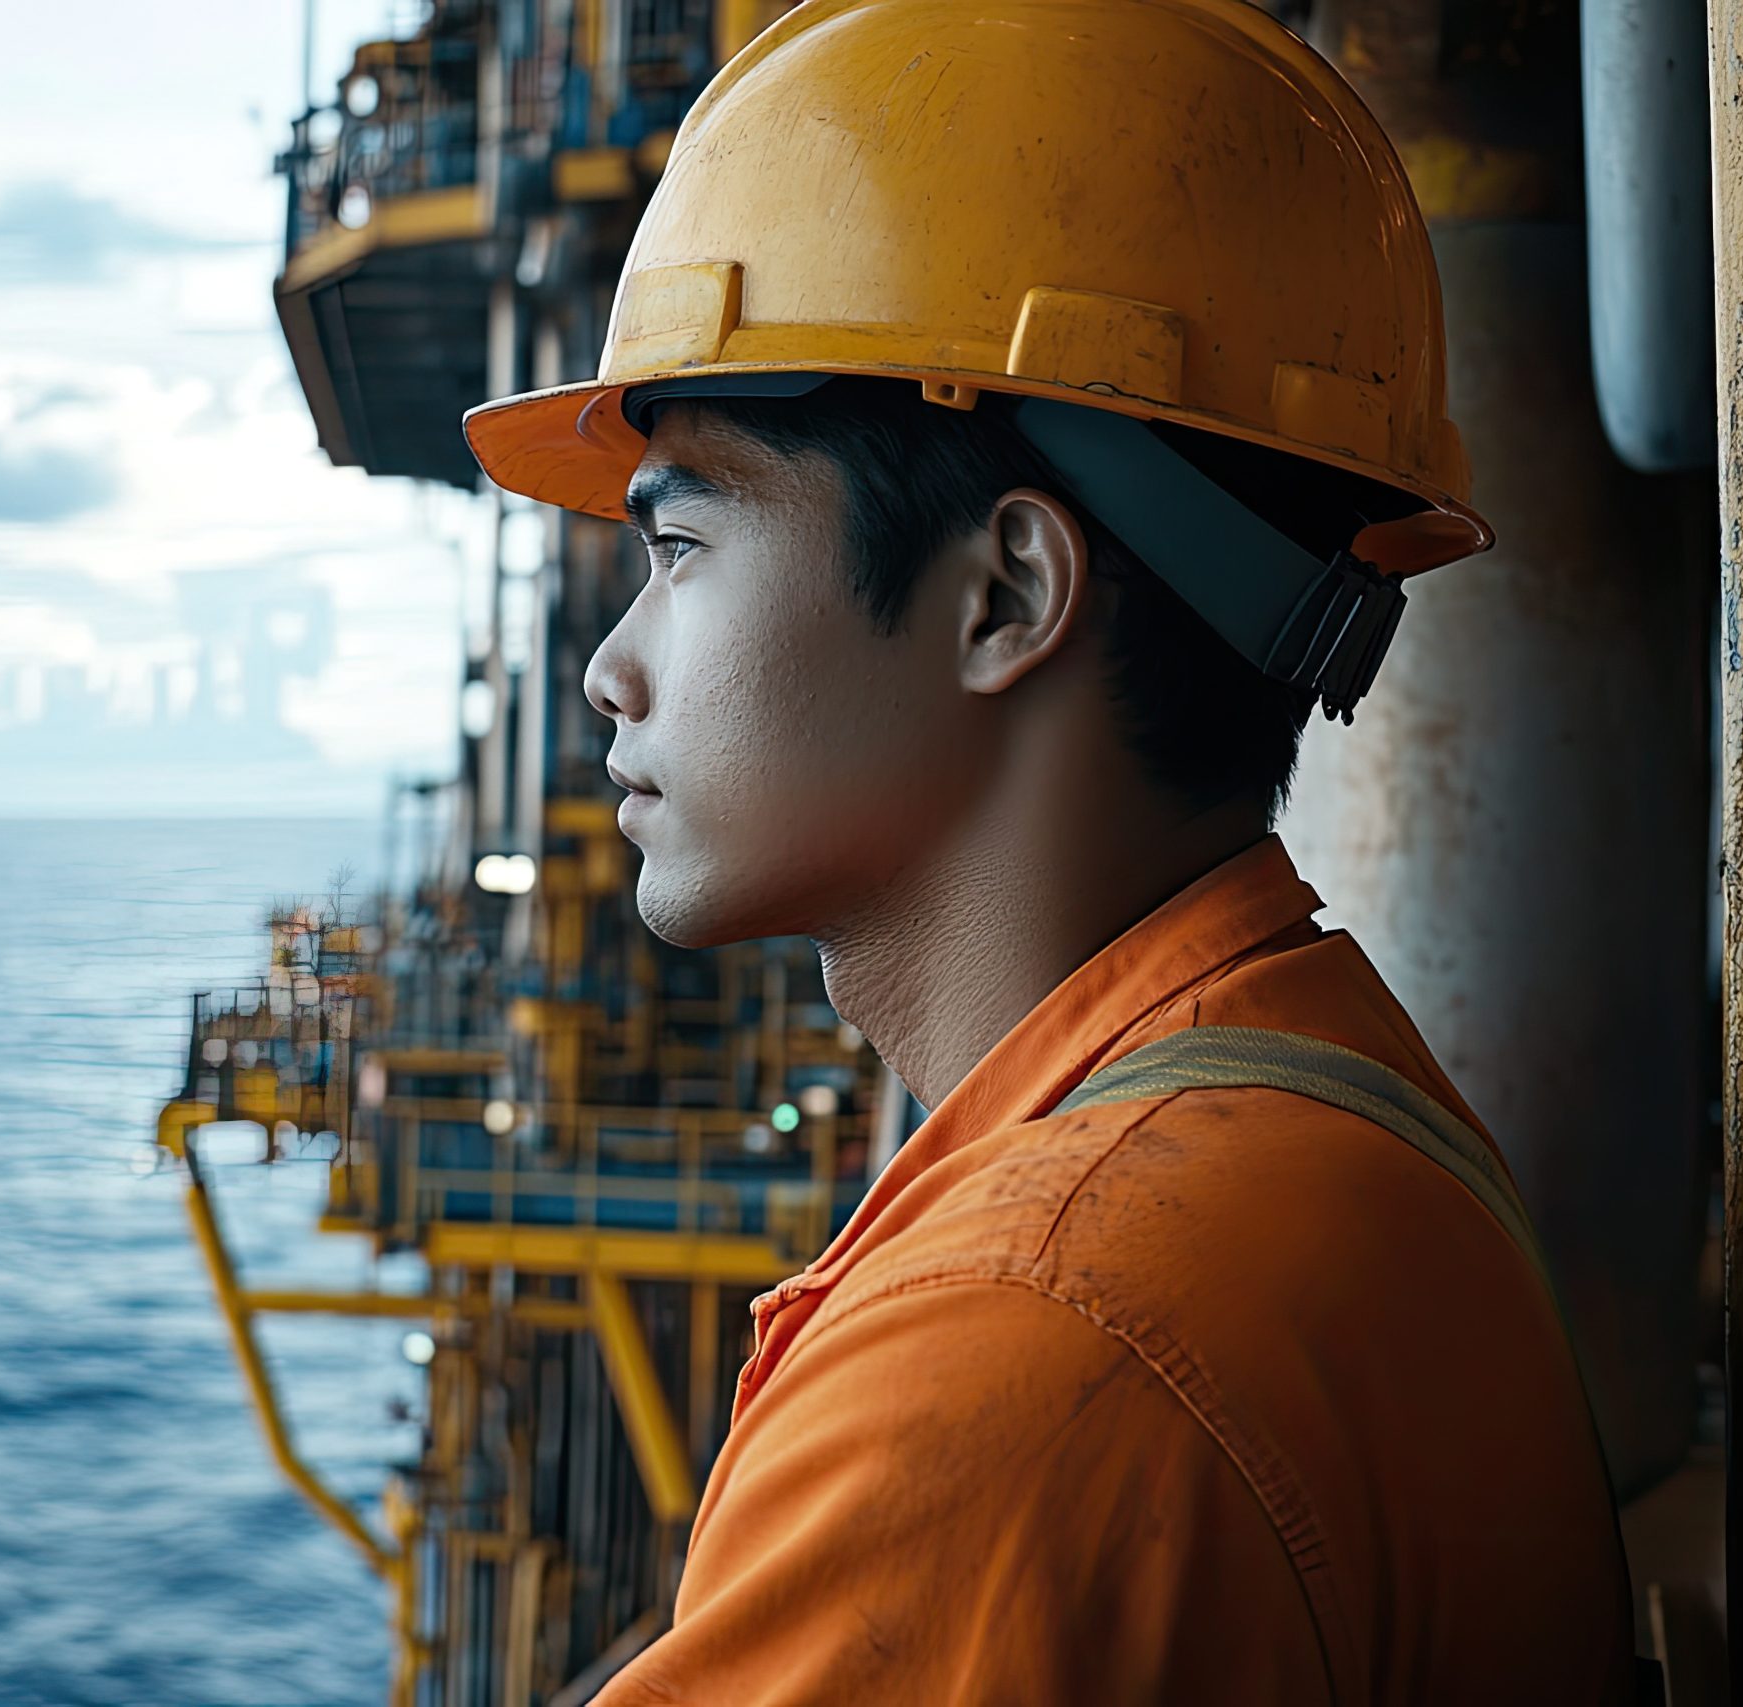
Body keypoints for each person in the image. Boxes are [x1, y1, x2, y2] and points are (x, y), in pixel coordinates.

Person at [460, 1, 1638, 1701]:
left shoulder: (1036, 1340)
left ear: (1005, 594)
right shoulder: (1316, 1109)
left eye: (684, 541)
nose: (610, 669)